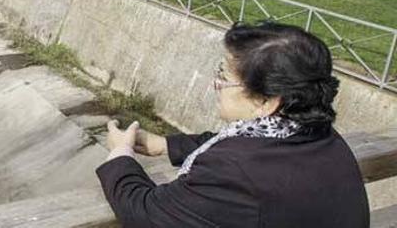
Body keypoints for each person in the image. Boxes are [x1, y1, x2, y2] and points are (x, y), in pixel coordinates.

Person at [96, 22, 370, 228]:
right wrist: (164, 145)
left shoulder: (232, 175)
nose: (216, 84)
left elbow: (145, 212)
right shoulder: (317, 134)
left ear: (265, 101)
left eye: (224, 77)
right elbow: (240, 146)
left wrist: (120, 154)